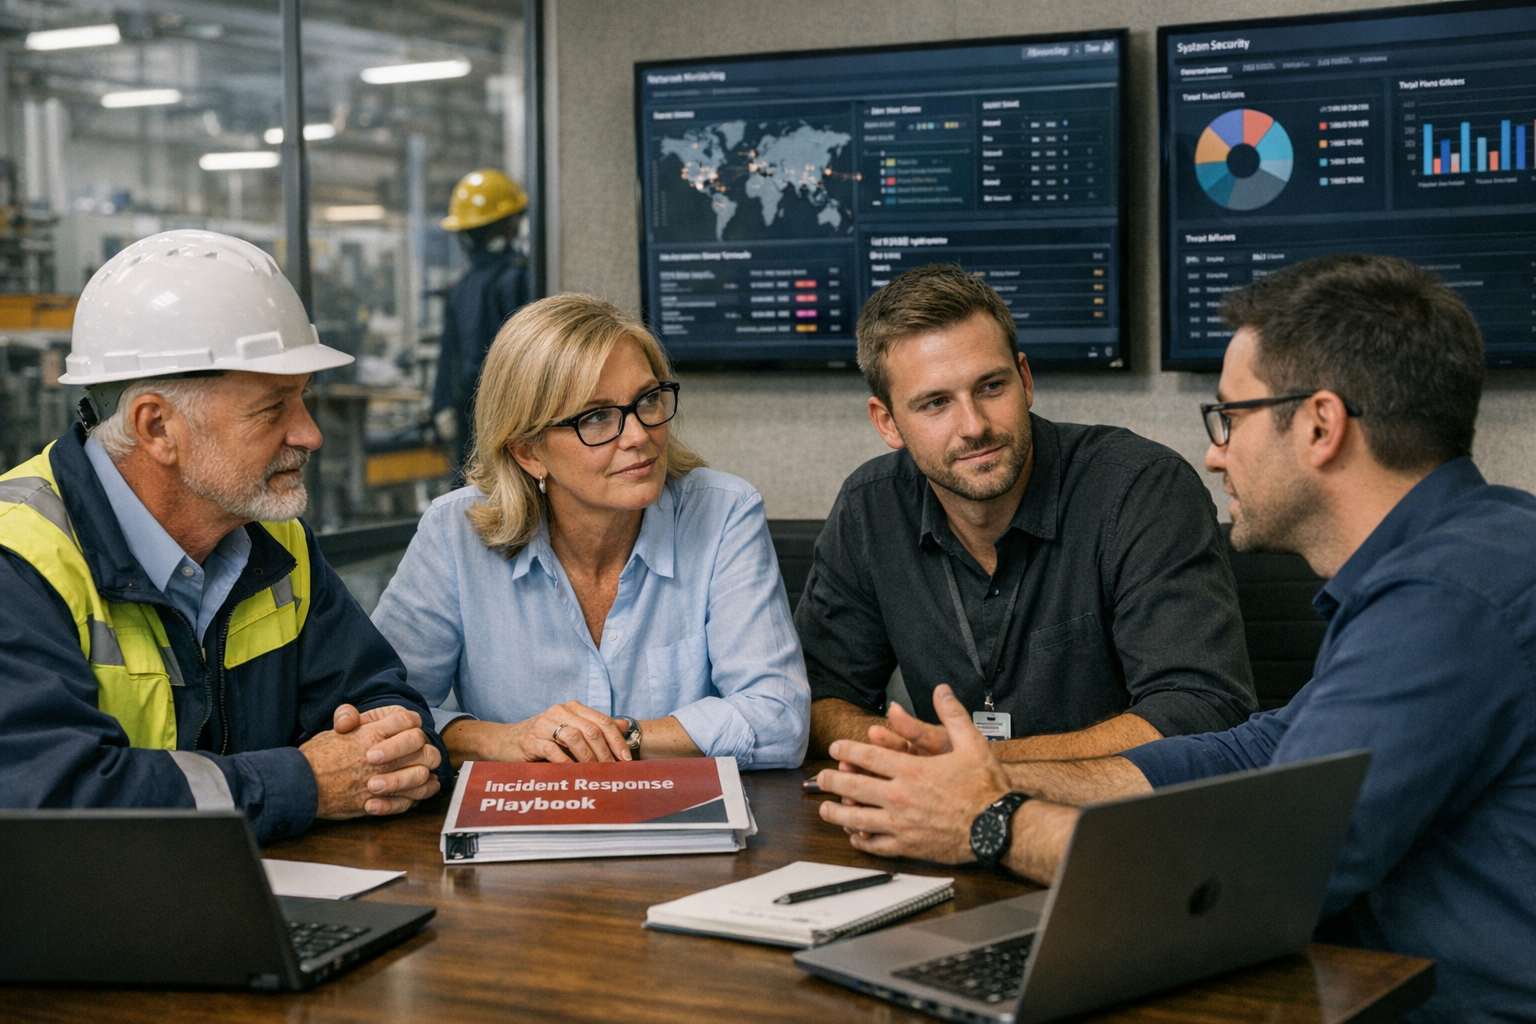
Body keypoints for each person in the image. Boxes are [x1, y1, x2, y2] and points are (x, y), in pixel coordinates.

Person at [813, 254, 1535, 1023]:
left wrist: (989, 823)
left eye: (1230, 418)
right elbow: (1254, 752)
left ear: (1320, 425)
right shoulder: (1479, 545)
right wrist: (981, 777)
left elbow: (1265, 877)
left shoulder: (1445, 600)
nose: (1217, 452)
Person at [0, 230, 448, 842]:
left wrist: (387, 755)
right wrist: (305, 783)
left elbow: (382, 705)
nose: (310, 434)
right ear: (157, 426)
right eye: (272, 409)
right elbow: (54, 802)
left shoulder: (276, 545)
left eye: (303, 401)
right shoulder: (21, 561)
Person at [798, 264, 1256, 761]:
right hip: (945, 818)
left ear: (1025, 379)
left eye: (991, 387)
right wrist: (910, 759)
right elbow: (819, 696)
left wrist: (976, 765)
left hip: (1120, 821)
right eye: (935, 403)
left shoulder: (1141, 488)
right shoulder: (871, 507)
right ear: (887, 423)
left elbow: (1201, 710)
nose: (973, 426)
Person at [372, 294, 810, 768]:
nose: (639, 435)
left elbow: (780, 720)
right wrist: (503, 741)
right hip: (522, 830)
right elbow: (384, 714)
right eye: (596, 417)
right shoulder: (453, 533)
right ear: (528, 452)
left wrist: (624, 738)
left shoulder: (723, 513)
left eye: (647, 400)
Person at [434, 168, 533, 471]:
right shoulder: (518, 277)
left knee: (469, 498)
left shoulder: (462, 286)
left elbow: (448, 355)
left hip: (469, 410)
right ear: (509, 225)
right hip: (511, 413)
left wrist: (440, 407)